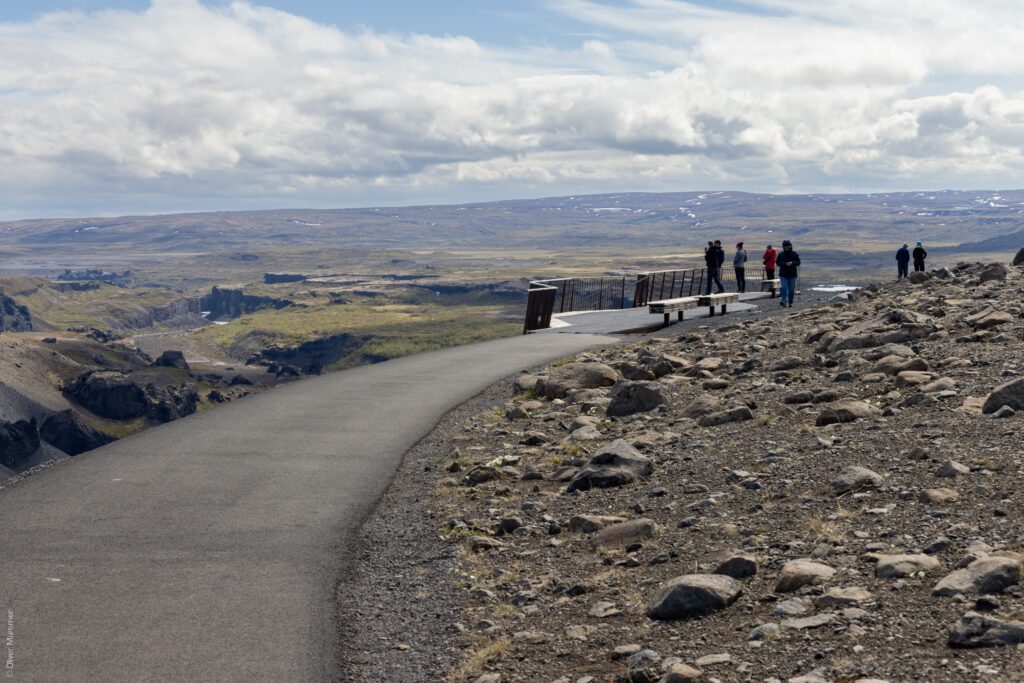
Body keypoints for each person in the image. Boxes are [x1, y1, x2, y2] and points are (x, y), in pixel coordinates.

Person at [778, 239, 800, 307]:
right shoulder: (781, 254)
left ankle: (790, 302)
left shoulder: (794, 254)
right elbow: (777, 262)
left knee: (791, 289)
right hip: (783, 274)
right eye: (785, 246)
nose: (786, 248)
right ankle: (784, 300)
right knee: (784, 287)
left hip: (792, 275)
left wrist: (792, 263)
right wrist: (784, 264)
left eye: (787, 246)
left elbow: (798, 262)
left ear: (790, 246)